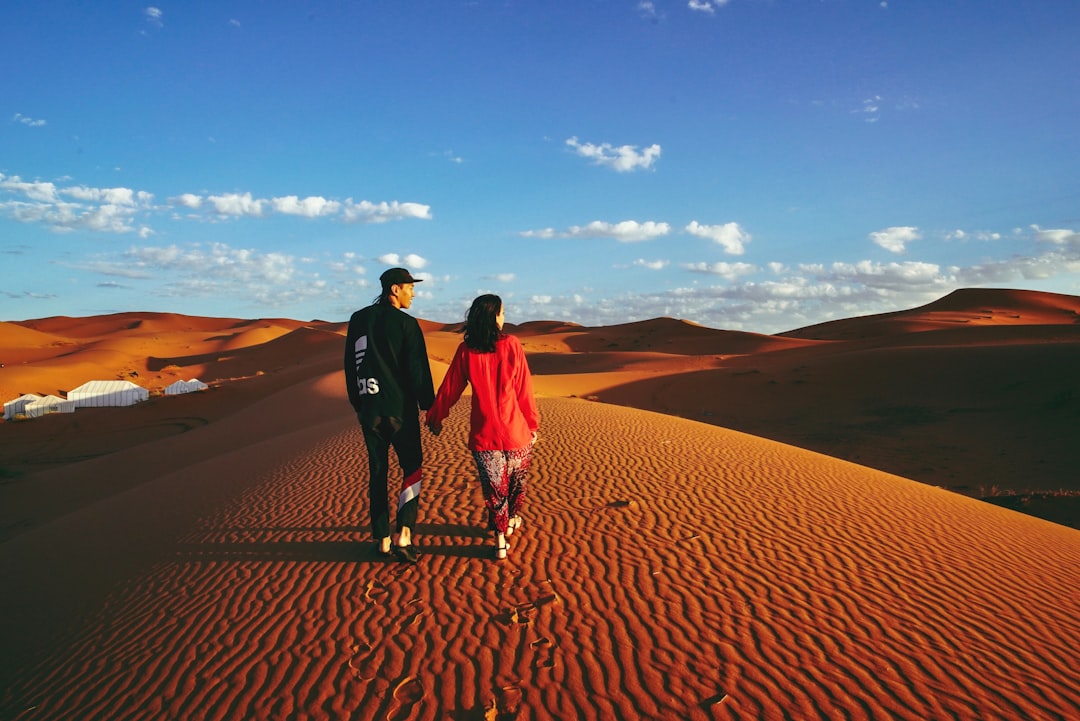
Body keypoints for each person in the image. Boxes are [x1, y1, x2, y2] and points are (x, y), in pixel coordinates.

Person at [426, 294, 539, 560]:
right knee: (515, 485)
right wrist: (533, 425)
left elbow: (450, 388)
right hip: (515, 432)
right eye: (501, 312)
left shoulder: (466, 350)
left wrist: (436, 416)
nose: (504, 317)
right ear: (493, 316)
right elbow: (525, 389)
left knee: (494, 488)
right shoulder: (511, 344)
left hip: (484, 434)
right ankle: (509, 521)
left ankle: (500, 538)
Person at [344, 267, 435, 563]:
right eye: (410, 287)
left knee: (378, 473)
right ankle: (404, 534)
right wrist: (429, 406)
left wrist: (358, 403)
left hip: (369, 409)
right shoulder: (407, 324)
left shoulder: (358, 320)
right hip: (400, 411)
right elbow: (417, 369)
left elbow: (351, 364)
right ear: (395, 289)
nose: (414, 292)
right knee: (412, 469)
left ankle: (382, 538)